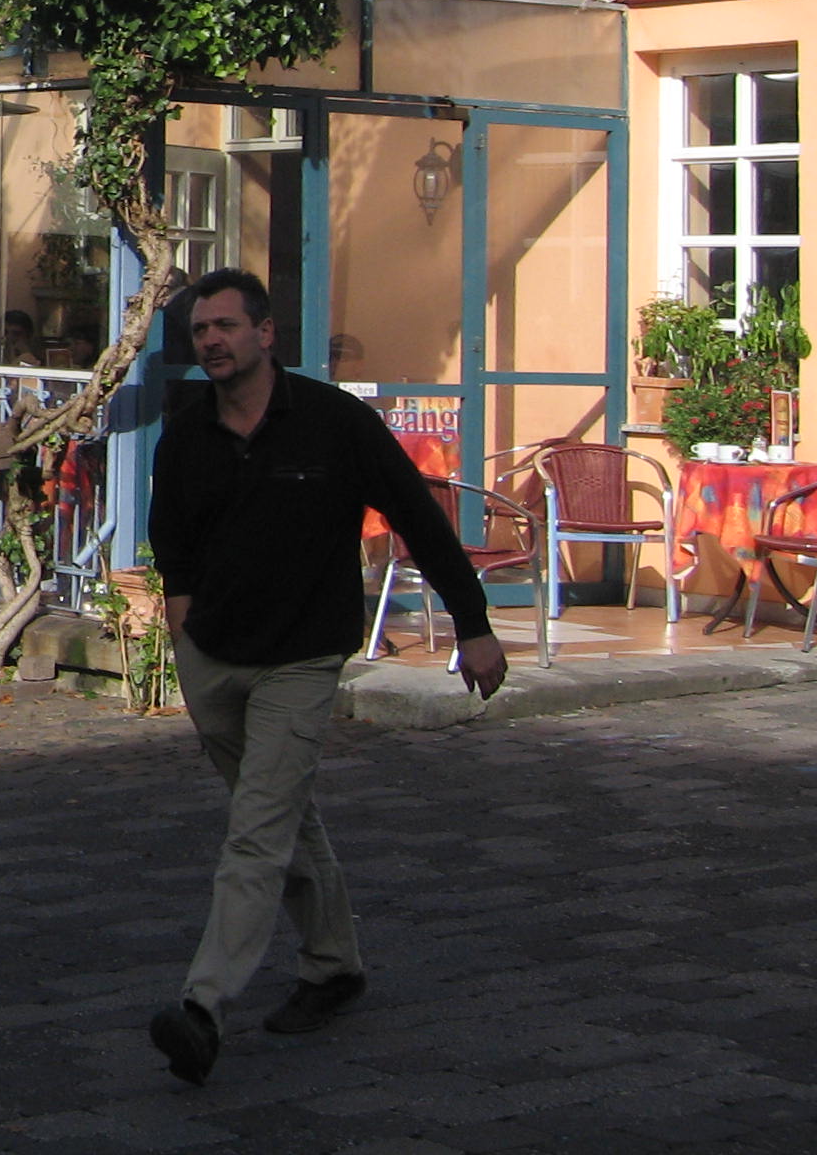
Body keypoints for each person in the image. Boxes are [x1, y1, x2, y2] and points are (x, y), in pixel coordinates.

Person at [144, 268, 507, 1085]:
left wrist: (473, 624)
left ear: (266, 333)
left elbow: (418, 518)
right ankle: (334, 963)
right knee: (275, 814)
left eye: (226, 326)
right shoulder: (188, 432)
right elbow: (174, 544)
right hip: (214, 655)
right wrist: (181, 628)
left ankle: (203, 1006)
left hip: (303, 655)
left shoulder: (334, 423)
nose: (212, 342)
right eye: (201, 331)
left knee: (256, 829)